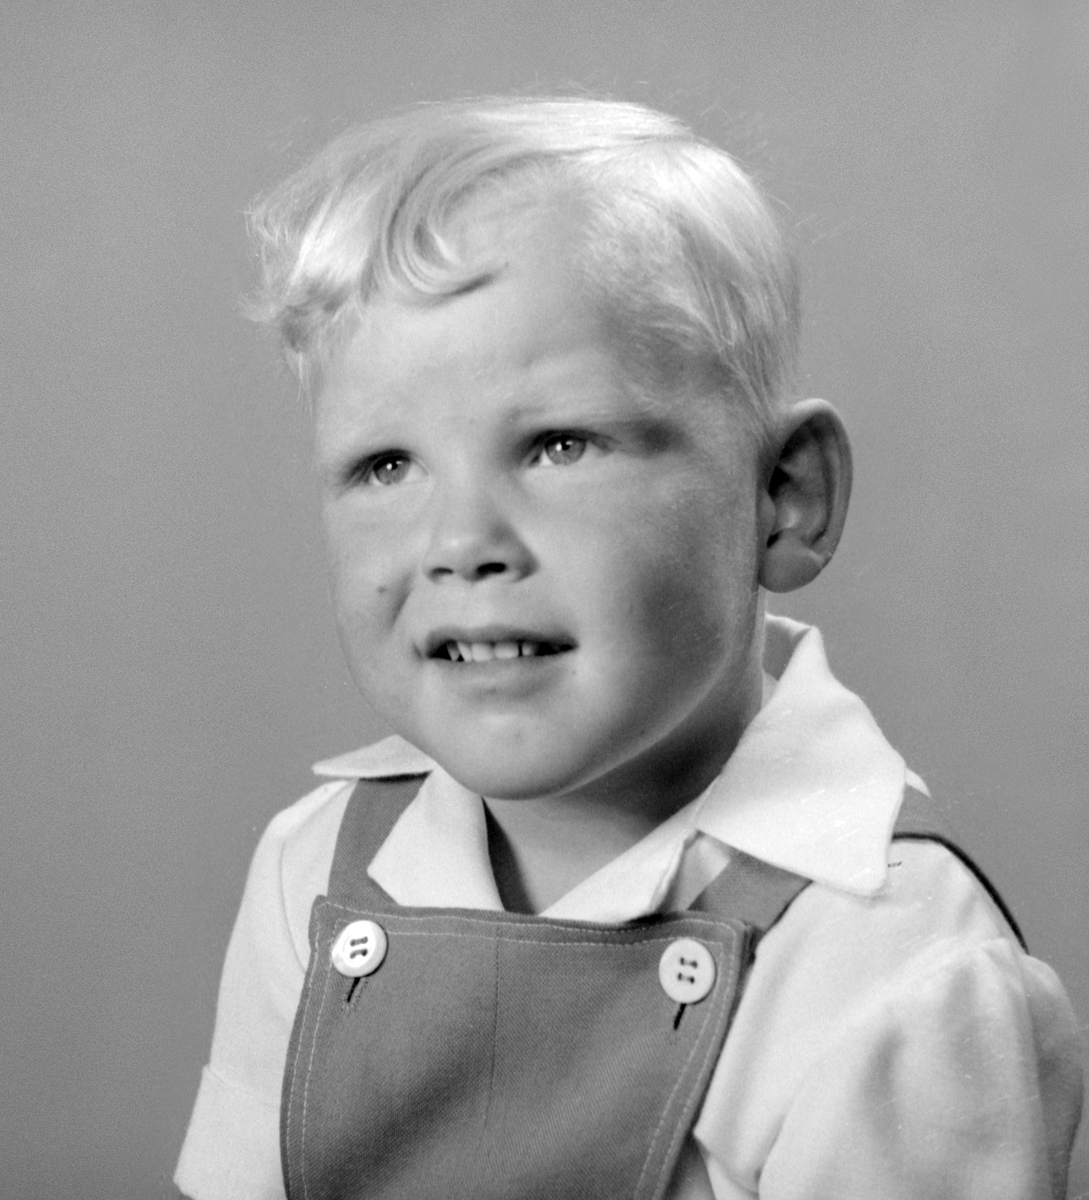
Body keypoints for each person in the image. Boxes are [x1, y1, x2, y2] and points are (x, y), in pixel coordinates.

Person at [175, 97, 1083, 1199]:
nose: (460, 544)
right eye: (385, 466)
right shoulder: (315, 871)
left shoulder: (892, 968)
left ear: (784, 496)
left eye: (558, 444)